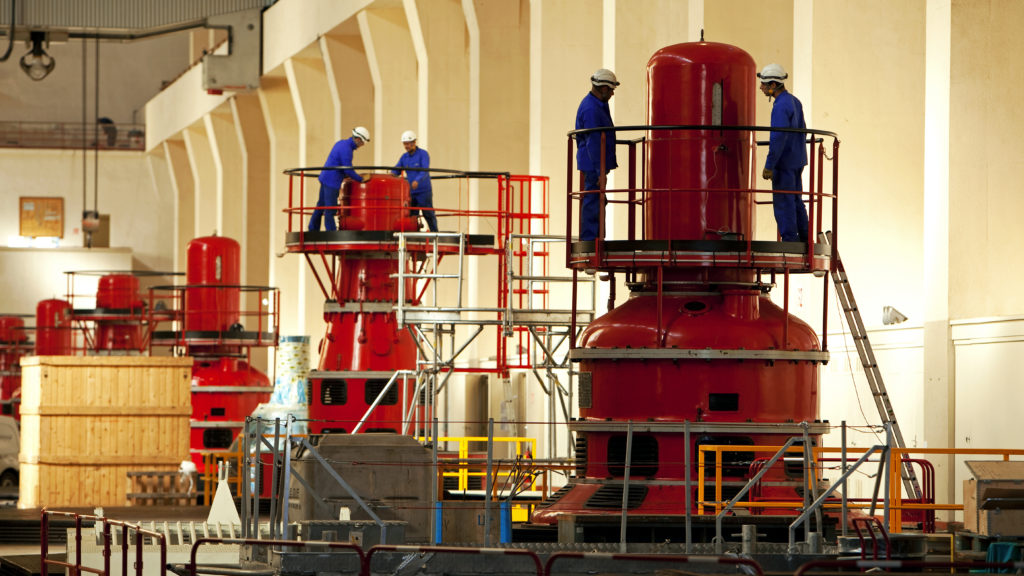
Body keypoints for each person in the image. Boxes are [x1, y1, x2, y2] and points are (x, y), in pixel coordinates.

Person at [758, 63, 808, 243]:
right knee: (796, 200)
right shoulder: (795, 102)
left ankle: (790, 243)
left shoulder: (780, 106)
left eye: (764, 84)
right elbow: (803, 131)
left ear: (773, 85)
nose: (761, 87)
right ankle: (805, 238)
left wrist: (769, 165)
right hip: (797, 161)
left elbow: (777, 137)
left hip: (783, 163)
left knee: (783, 202)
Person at [575, 68, 619, 242]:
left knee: (597, 201)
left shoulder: (596, 104)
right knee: (592, 201)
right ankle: (590, 242)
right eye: (612, 90)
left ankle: (596, 239)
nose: (613, 94)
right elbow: (594, 142)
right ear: (603, 89)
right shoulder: (592, 109)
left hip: (594, 163)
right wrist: (600, 170)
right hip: (593, 164)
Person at [309, 126, 371, 231]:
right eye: (362, 143)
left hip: (325, 178)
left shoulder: (341, 143)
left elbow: (342, 166)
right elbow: (347, 169)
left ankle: (312, 229)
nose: (362, 145)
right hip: (332, 182)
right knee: (330, 209)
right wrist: (360, 179)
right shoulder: (347, 150)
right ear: (358, 139)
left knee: (321, 205)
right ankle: (331, 233)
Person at [391, 130, 437, 232]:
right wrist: (391, 174)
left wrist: (417, 181)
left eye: (408, 144)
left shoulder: (423, 154)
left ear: (414, 142)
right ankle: (413, 235)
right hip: (411, 193)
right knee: (412, 216)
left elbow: (425, 170)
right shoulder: (404, 157)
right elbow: (397, 169)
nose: (406, 146)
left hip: (424, 191)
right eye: (405, 144)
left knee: (428, 214)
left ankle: (435, 234)